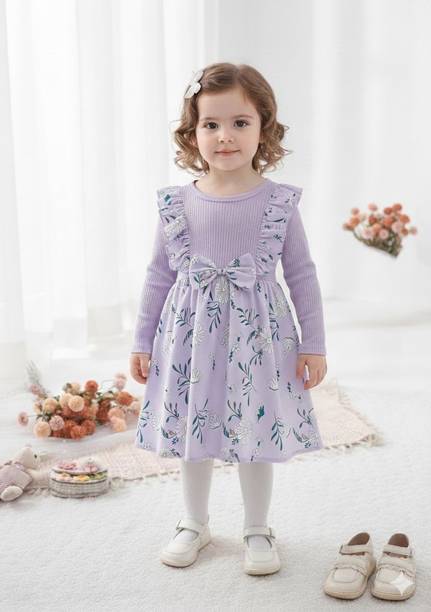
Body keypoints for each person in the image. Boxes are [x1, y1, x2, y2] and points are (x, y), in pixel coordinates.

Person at [129, 62, 327, 574]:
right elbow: (157, 276)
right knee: (194, 427)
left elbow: (302, 274)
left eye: (240, 122)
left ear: (264, 127)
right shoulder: (177, 204)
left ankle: (257, 527)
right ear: (192, 132)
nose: (225, 136)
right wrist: (142, 341)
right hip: (190, 337)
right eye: (211, 124)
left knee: (253, 430)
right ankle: (194, 522)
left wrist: (314, 344)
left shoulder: (278, 203)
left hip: (259, 338)